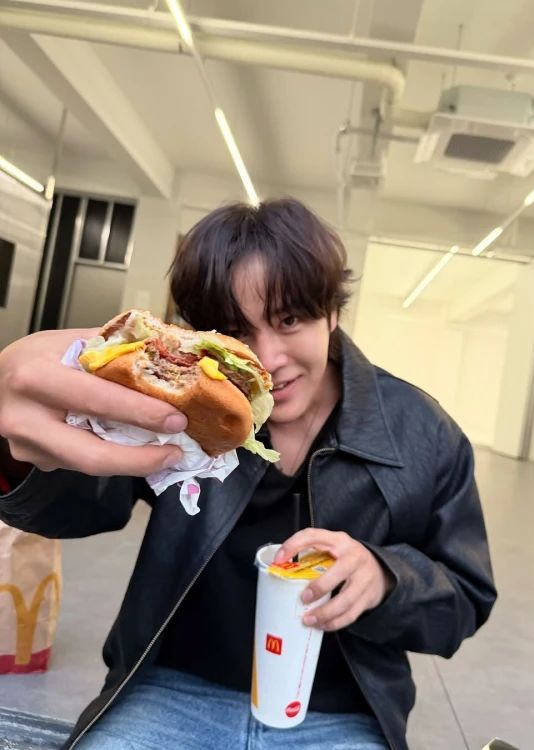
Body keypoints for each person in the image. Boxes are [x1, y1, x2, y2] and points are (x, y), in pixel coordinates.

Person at [0, 198, 496, 750]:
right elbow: (77, 507)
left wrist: (385, 578)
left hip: (337, 712)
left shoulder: (424, 432)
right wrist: (18, 447)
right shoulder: (174, 409)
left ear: (331, 312)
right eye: (235, 331)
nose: (267, 359)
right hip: (168, 689)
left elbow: (464, 601)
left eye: (290, 320)